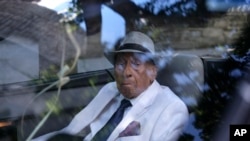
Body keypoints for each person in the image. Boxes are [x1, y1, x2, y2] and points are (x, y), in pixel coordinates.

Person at [32, 31, 189, 141]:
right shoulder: (110, 89)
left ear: (152, 72)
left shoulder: (171, 109)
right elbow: (71, 130)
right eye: (121, 63)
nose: (126, 71)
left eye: (136, 64)